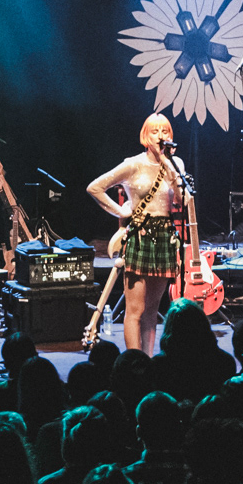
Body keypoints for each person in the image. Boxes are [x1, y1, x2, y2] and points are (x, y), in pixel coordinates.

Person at [87, 113, 191, 354]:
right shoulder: (133, 163)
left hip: (165, 236)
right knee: (135, 309)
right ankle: (135, 362)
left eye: (165, 131)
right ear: (145, 136)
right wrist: (121, 210)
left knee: (152, 310)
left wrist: (168, 166)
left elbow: (184, 200)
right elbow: (95, 187)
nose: (161, 136)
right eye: (155, 131)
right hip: (140, 236)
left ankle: (149, 359)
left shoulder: (176, 165)